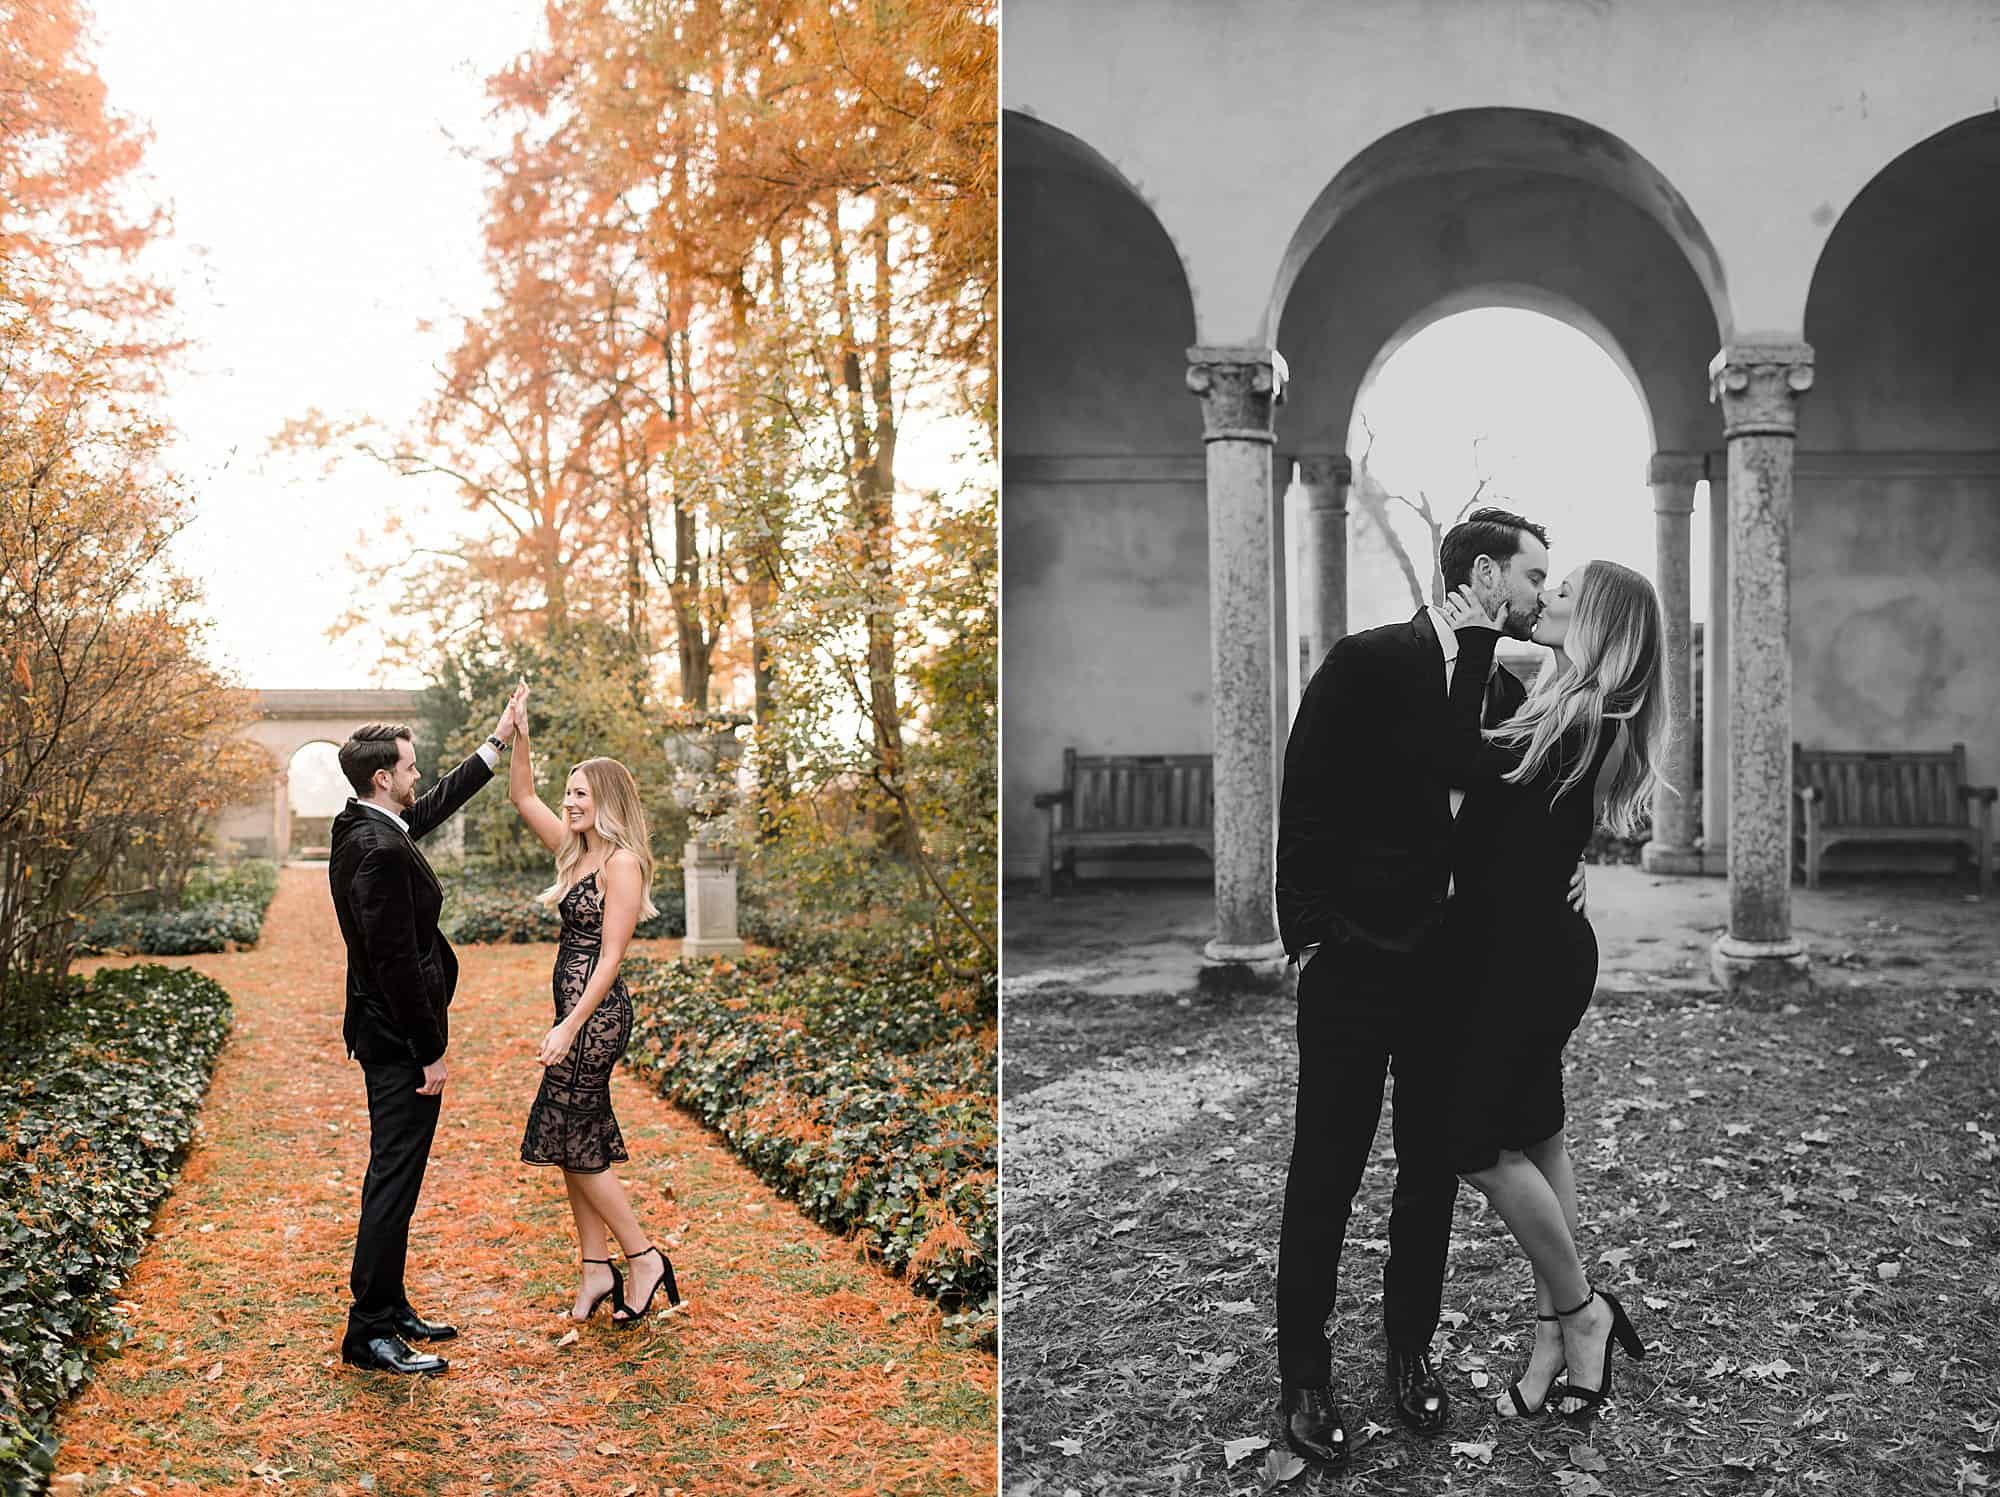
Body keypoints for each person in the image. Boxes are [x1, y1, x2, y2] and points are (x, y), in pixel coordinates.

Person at [1273, 509, 1583, 1466]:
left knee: (1428, 1174)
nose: (1542, 592)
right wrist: (1311, 938)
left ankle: (1409, 1353)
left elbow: (1518, 810)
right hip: (1354, 960)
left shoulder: (1499, 684)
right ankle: (1305, 1372)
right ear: (1486, 575)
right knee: (1327, 1166)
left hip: (1457, 971)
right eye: (1534, 576)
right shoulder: (1369, 659)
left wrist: (1575, 869)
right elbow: (1306, 791)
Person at [1435, 561, 1663, 1419]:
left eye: (1562, 591)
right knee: (1537, 1136)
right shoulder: (1568, 702)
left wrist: (1473, 642)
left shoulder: (1584, 714)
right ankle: (1550, 1340)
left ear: (1596, 620)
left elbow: (1461, 760)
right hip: (1520, 948)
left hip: (1530, 961)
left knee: (1475, 1144)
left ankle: (1582, 1310)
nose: (1547, 597)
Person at [329, 704, 515, 1376]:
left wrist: (496, 742)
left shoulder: (365, 824)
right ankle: (370, 1329)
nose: (418, 774)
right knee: (393, 1179)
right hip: (397, 1042)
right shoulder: (377, 850)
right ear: (383, 778)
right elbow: (395, 966)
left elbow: (430, 807)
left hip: (387, 1035)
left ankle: (391, 1302)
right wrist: (429, 1048)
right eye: (409, 766)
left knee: (396, 1177)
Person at [502, 680, 682, 1325]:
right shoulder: (575, 853)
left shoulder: (622, 864)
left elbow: (610, 960)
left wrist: (569, 1026)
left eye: (579, 793)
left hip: (596, 1016)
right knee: (571, 1138)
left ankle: (643, 1258)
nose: (569, 802)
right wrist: (520, 733)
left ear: (605, 800)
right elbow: (522, 794)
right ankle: (594, 1271)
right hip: (573, 1014)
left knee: (573, 1138)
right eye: (569, 792)